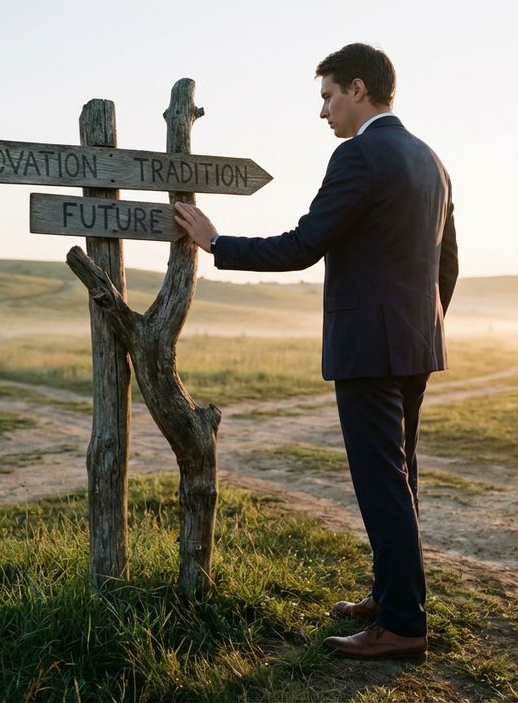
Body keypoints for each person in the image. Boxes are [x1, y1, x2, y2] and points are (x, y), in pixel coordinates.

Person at [174, 42, 458, 661]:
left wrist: (218, 242)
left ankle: (404, 624)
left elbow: (304, 244)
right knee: (400, 477)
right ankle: (391, 597)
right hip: (416, 344)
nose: (323, 112)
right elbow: (447, 263)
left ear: (359, 89)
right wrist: (423, 323)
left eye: (328, 96)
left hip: (369, 349)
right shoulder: (431, 160)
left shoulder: (358, 157)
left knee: (382, 483)